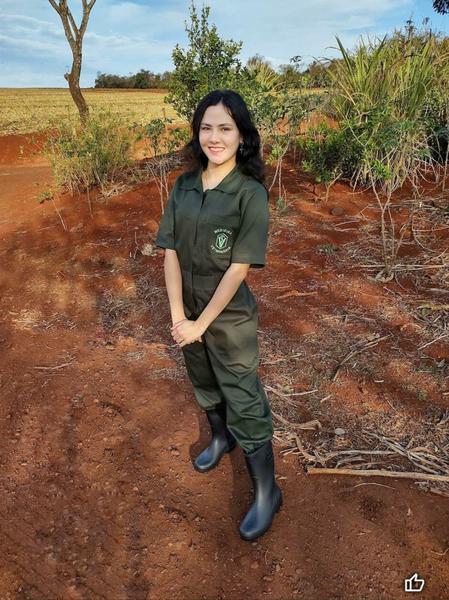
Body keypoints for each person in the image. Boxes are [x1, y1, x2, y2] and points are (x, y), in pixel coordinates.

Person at [155, 89, 283, 541]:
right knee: (204, 381)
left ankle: (267, 491)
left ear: (242, 135)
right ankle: (219, 438)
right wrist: (178, 317)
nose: (215, 137)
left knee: (243, 397)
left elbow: (239, 269)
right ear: (197, 133)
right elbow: (169, 249)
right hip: (186, 315)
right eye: (206, 127)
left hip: (228, 322)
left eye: (225, 128)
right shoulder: (184, 186)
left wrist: (201, 324)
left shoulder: (249, 194)